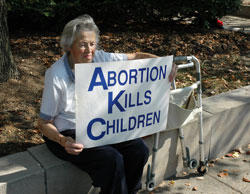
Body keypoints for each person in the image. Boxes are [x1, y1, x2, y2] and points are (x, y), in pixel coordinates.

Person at [38, 14, 178, 194]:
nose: (89, 50)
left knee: (139, 150)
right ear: (69, 46)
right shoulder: (56, 75)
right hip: (67, 133)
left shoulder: (100, 58)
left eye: (92, 43)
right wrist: (63, 140)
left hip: (101, 126)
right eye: (82, 44)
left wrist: (165, 64)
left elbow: (136, 56)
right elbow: (43, 123)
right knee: (111, 159)